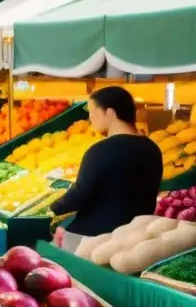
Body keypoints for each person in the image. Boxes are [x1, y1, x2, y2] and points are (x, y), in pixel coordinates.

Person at [51, 87, 163, 251]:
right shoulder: (152, 148)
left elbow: (81, 193)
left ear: (110, 113)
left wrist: (54, 208)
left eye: (92, 111)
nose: (90, 118)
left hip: (94, 238)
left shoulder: (100, 150)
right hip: (136, 237)